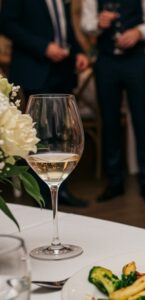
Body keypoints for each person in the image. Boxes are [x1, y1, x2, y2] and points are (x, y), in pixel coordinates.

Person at [0, 0, 90, 207]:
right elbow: (6, 24)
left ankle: (61, 191)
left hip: (63, 71)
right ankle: (42, 199)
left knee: (62, 134)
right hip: (35, 69)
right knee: (39, 136)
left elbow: (64, 30)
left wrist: (78, 53)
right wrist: (43, 48)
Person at [81, 0, 145, 204]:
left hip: (136, 61)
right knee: (109, 122)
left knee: (142, 121)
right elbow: (85, 24)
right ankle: (114, 181)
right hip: (106, 61)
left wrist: (139, 32)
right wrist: (98, 24)